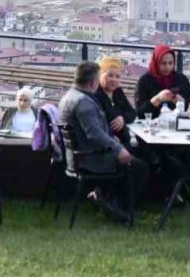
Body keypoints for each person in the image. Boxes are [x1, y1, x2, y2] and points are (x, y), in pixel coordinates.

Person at [58, 61, 149, 223]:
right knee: (140, 167)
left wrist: (111, 138)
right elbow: (94, 133)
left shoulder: (70, 96)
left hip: (79, 155)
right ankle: (117, 207)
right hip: (91, 159)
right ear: (93, 82)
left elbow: (92, 131)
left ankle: (105, 197)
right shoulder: (84, 102)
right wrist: (118, 149)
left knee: (137, 153)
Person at [134, 44, 190, 118]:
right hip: (152, 125)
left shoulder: (181, 79)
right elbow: (140, 112)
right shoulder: (145, 80)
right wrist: (157, 99)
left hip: (177, 124)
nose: (167, 67)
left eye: (170, 63)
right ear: (156, 63)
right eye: (163, 63)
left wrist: (182, 102)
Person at [93, 57, 136, 145]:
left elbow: (132, 113)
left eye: (117, 76)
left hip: (124, 140)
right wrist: (110, 137)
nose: (114, 79)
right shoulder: (96, 95)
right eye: (110, 75)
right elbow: (99, 123)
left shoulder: (118, 92)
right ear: (100, 75)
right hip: (109, 143)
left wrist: (122, 118)